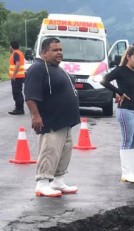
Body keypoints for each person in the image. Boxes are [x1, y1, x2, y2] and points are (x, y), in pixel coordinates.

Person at [23, 37, 81, 198]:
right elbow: (30, 95)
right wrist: (35, 115)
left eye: (60, 50)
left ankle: (58, 180)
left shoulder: (56, 68)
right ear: (44, 53)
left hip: (65, 121)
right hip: (51, 120)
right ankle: (42, 183)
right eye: (55, 50)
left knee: (64, 151)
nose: (59, 53)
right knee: (50, 151)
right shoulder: (38, 69)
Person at [101, 45, 134, 183]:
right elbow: (104, 80)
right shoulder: (120, 70)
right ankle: (126, 172)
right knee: (127, 141)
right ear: (128, 57)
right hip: (126, 110)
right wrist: (119, 92)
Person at [8, 41, 26, 115]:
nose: (9, 48)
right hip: (19, 76)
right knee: (17, 92)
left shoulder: (15, 53)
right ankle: (18, 108)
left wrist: (13, 75)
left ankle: (19, 109)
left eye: (10, 46)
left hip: (17, 77)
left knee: (17, 93)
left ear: (11, 46)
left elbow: (17, 64)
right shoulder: (19, 53)